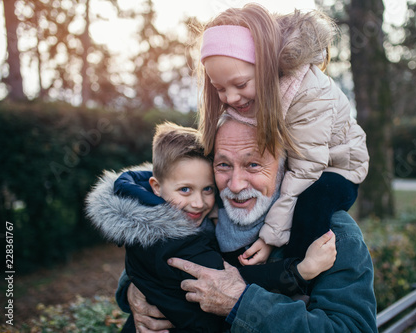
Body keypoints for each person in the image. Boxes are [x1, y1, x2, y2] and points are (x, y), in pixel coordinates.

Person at [120, 115, 377, 333]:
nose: (235, 185)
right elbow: (153, 241)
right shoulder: (206, 205)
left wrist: (242, 303)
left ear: (286, 167)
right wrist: (135, 289)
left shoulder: (332, 233)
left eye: (253, 164)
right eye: (223, 165)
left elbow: (352, 327)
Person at [197, 3, 370, 265]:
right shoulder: (247, 96)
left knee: (312, 203)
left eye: (241, 84)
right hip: (294, 157)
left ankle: (296, 274)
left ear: (265, 65)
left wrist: (270, 237)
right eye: (219, 88)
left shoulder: (309, 93)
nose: (230, 97)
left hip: (334, 167)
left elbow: (306, 168)